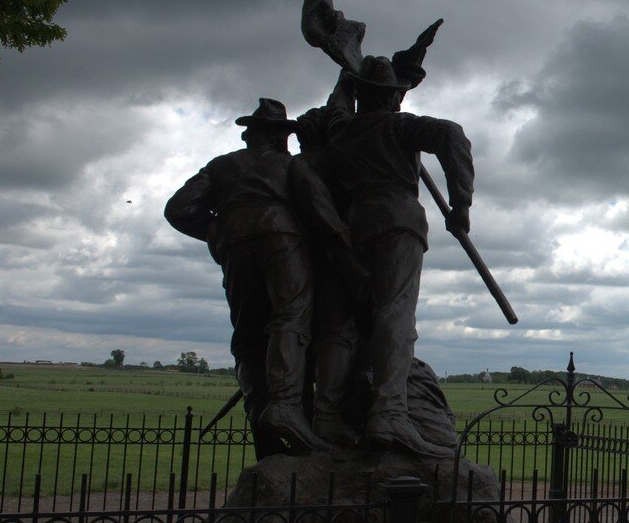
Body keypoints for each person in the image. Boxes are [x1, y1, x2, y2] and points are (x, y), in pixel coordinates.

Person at [165, 98, 364, 457]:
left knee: (248, 335)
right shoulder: (291, 166)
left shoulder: (219, 166)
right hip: (282, 240)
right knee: (290, 318)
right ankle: (285, 406)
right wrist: (352, 265)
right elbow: (323, 215)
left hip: (234, 245)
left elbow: (178, 208)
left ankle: (261, 419)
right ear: (279, 137)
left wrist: (215, 230)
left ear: (249, 135)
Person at [297, 55, 473, 458]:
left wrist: (346, 78)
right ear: (394, 98)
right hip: (397, 221)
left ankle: (327, 415)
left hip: (351, 226)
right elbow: (452, 134)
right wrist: (461, 203)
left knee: (339, 324)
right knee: (394, 315)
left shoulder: (340, 129)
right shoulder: (400, 126)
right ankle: (389, 413)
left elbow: (337, 105)